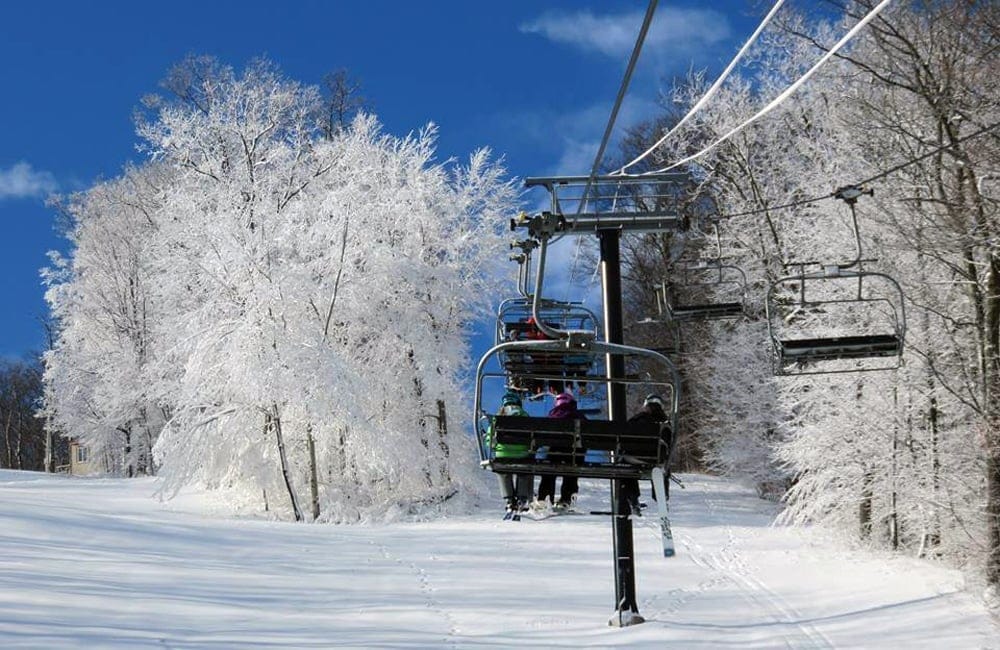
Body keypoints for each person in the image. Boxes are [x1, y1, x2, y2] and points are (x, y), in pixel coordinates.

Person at [486, 390, 535, 517]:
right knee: (523, 471)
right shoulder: (525, 416)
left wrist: (494, 446)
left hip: (503, 456)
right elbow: (532, 437)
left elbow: (489, 439)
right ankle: (521, 498)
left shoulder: (498, 417)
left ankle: (509, 500)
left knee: (504, 473)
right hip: (522, 455)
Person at [621, 394, 669, 515]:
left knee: (625, 468)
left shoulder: (635, 420)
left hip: (633, 458)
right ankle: (661, 498)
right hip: (655, 459)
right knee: (661, 468)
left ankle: (633, 497)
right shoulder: (665, 422)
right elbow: (668, 442)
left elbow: (623, 438)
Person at [535, 391, 582, 510]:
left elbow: (542, 437)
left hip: (554, 454)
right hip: (573, 456)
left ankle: (544, 498)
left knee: (548, 472)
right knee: (572, 472)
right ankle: (566, 499)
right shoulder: (579, 416)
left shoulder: (552, 416)